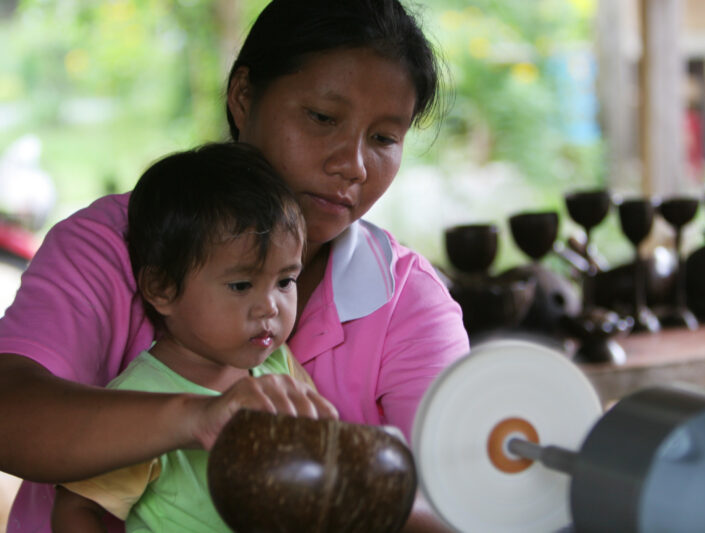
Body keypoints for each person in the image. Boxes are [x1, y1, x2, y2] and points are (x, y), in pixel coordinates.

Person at [0, 1, 470, 531]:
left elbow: (457, 494)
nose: (353, 165)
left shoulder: (409, 301)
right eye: (322, 117)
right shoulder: (110, 243)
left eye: (383, 138)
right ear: (244, 97)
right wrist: (193, 417)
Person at [51, 142, 312, 532]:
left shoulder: (279, 365)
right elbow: (76, 509)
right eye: (241, 285)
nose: (270, 307)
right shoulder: (140, 399)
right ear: (162, 288)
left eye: (285, 281)